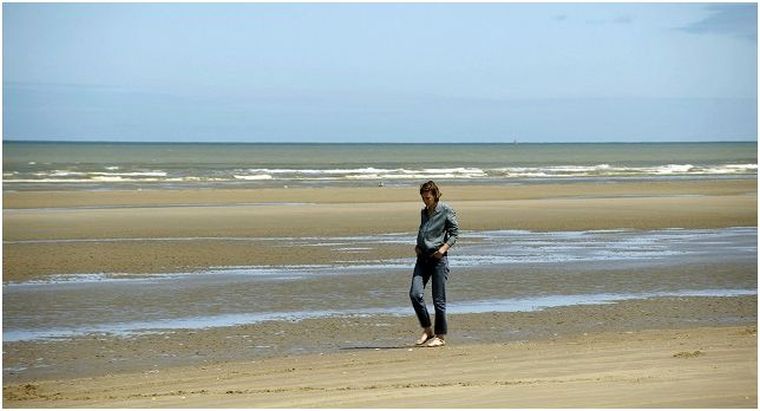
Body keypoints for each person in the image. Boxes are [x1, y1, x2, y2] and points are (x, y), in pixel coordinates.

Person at [410, 180, 459, 347]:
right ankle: (427, 329)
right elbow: (422, 229)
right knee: (415, 294)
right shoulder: (423, 212)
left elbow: (454, 233)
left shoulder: (446, 210)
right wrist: (418, 245)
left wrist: (443, 249)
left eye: (428, 198)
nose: (425, 201)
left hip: (438, 259)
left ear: (435, 195)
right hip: (422, 258)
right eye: (423, 198)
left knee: (439, 299)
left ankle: (440, 336)